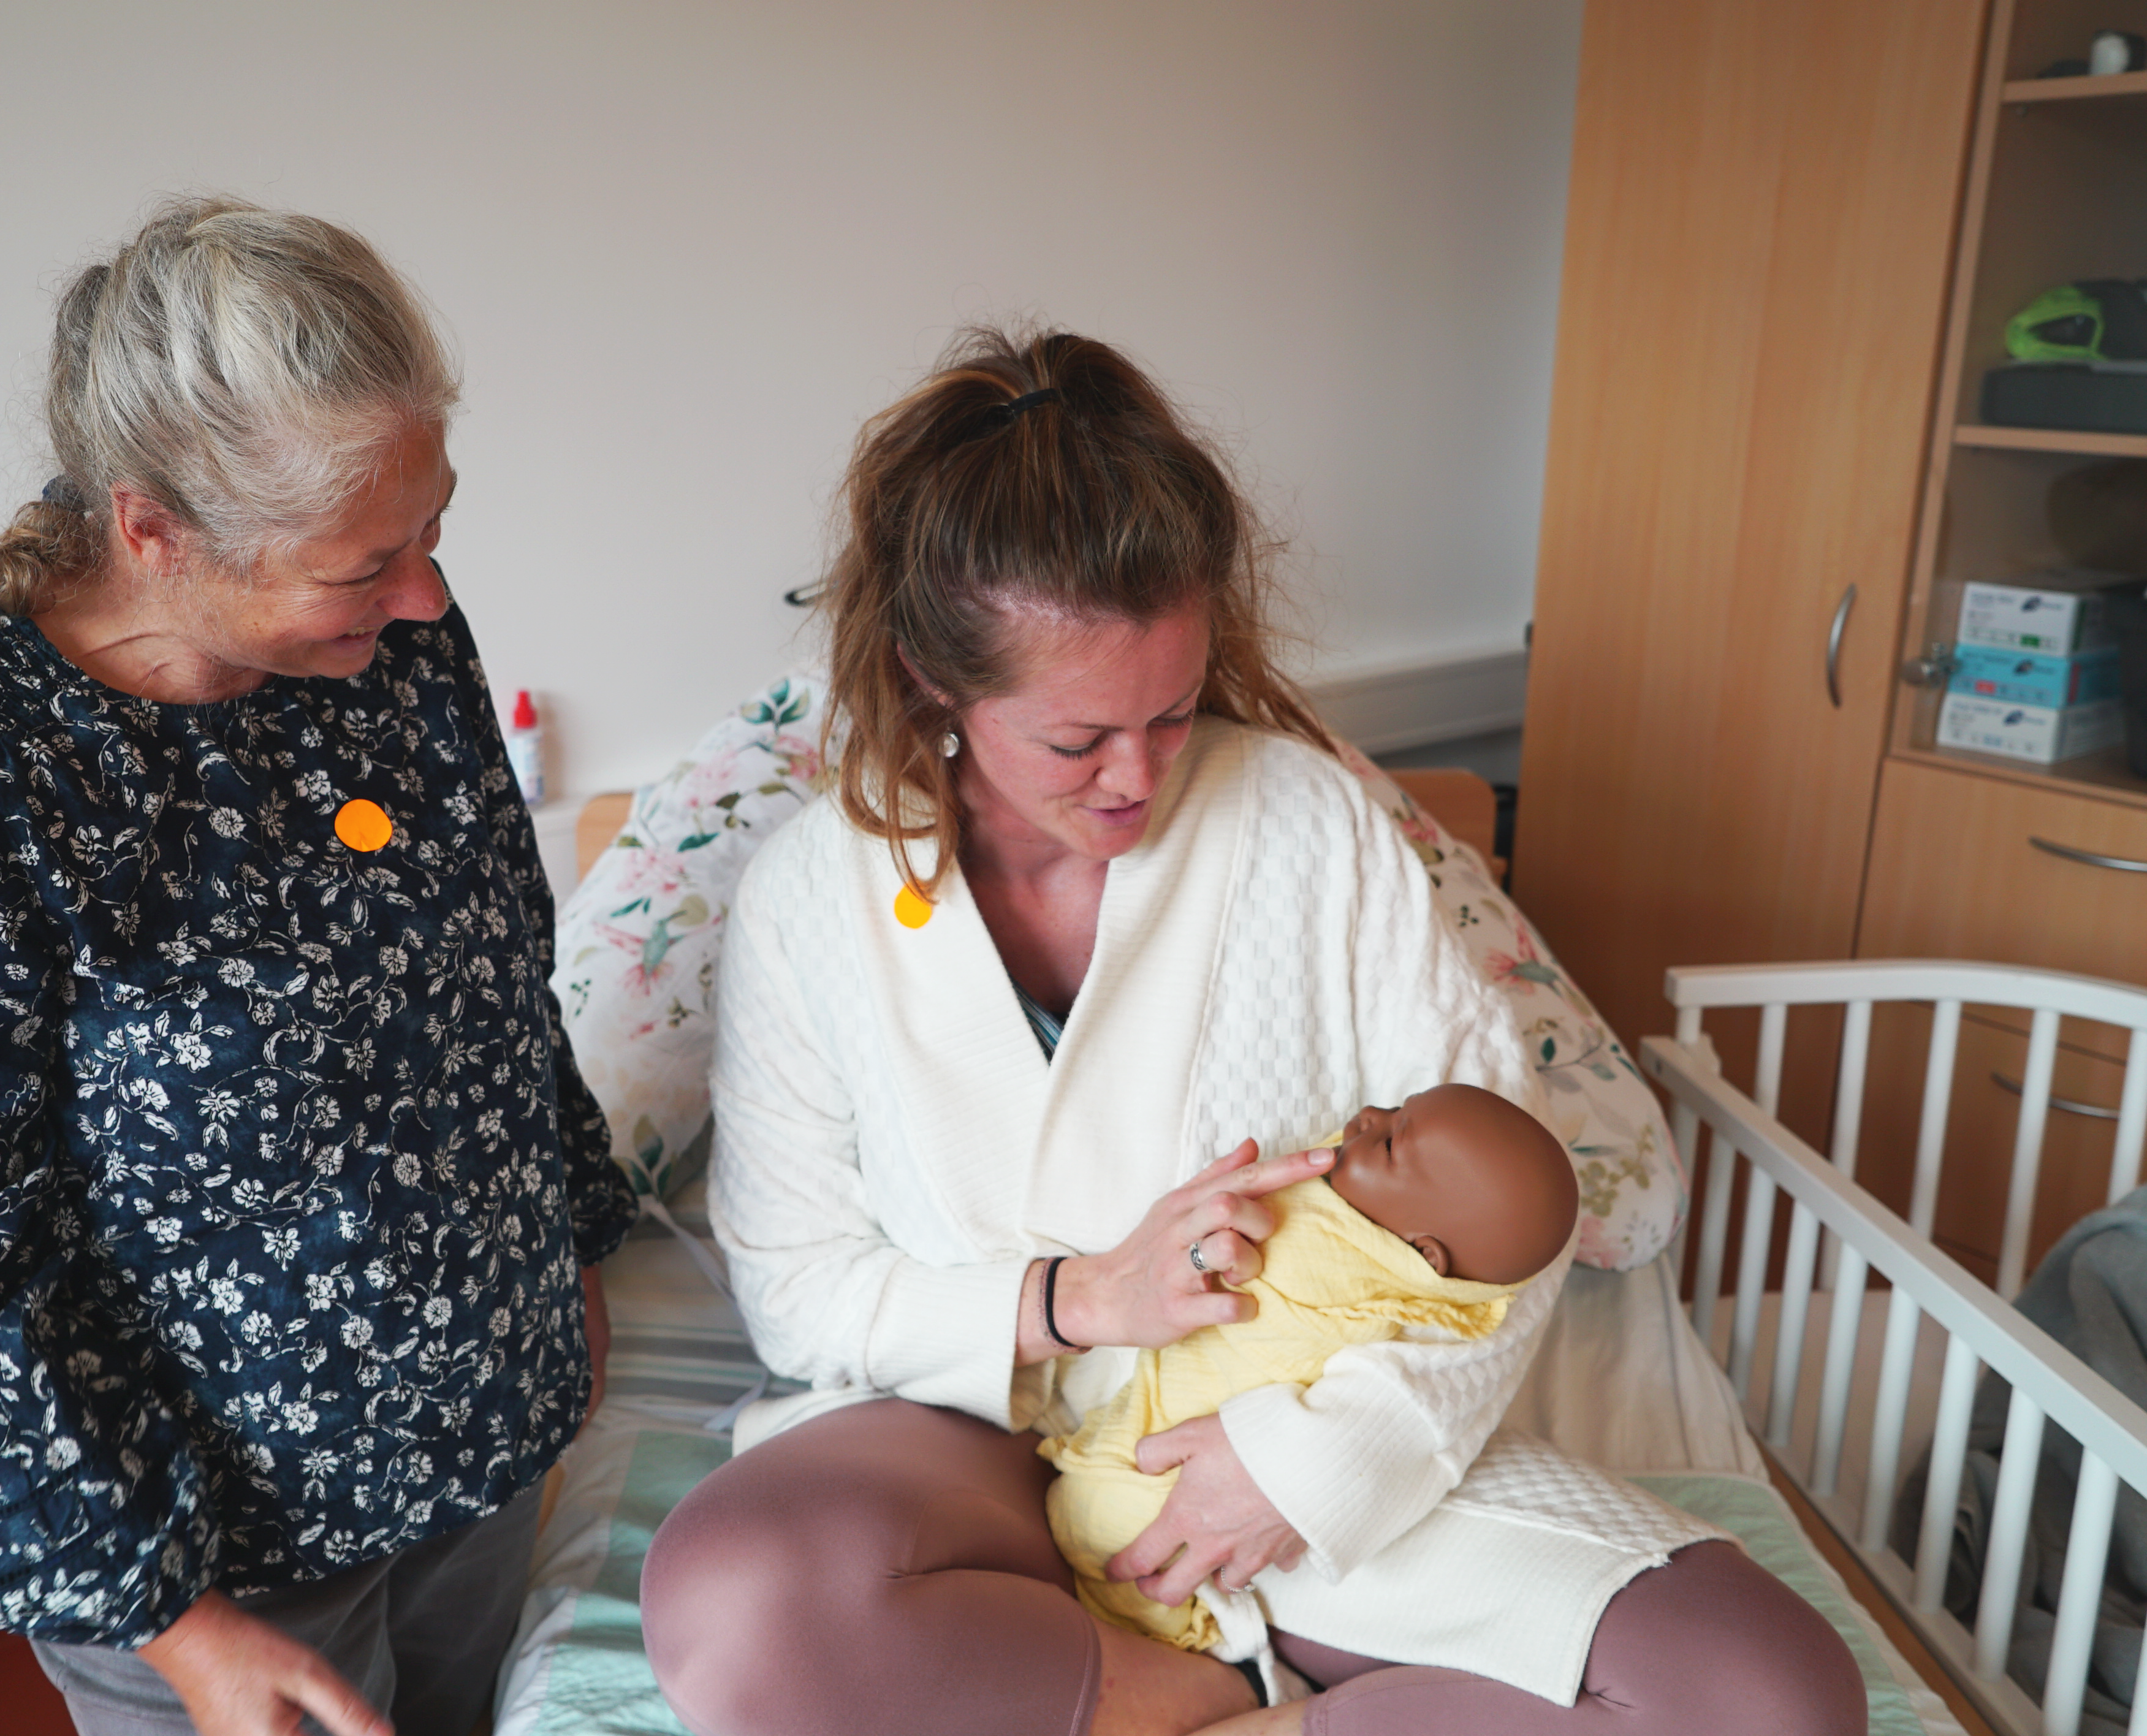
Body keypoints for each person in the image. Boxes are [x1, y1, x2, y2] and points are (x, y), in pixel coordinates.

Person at [635, 327, 1864, 1736]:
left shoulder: (1306, 818)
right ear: (930, 677)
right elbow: (795, 1286)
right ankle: (1188, 1690)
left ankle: (1145, 1703)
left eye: (1169, 712)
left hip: (1291, 1427)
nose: (1137, 775)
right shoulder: (811, 893)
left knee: (1770, 1699)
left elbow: (1498, 1204)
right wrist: (1077, 1299)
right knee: (740, 1599)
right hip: (973, 1456)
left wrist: (1310, 1464)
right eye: (1075, 738)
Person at [0, 197, 635, 1736]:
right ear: (152, 529)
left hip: (478, 1447)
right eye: (366, 562)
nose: (425, 594)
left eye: (433, 532)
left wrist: (565, 1242)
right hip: (219, 1561)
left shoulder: (388, 641)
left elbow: (498, 964)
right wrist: (173, 1617)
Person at [1043, 1084, 1582, 1656]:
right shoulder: (1366, 1193)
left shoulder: (1348, 1266)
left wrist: (1298, 1469)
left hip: (1165, 1489)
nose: (1371, 1116)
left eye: (1393, 1143)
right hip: (1057, 1411)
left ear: (1422, 1257)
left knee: (1110, 1523)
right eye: (1398, 1107)